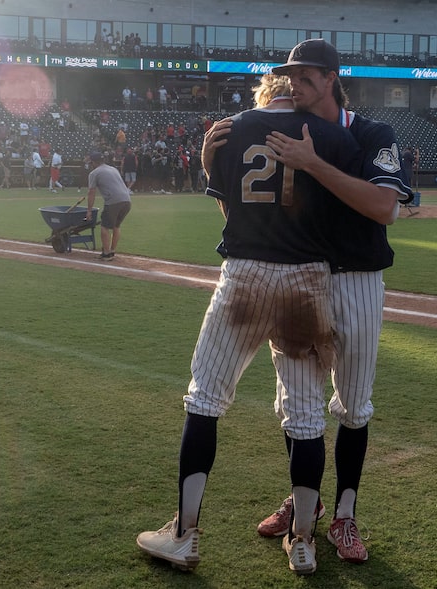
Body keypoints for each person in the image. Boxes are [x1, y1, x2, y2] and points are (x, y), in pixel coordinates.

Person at [136, 74, 363, 576]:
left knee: (206, 400)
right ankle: (302, 543)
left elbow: (230, 212)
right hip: (307, 279)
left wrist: (206, 161)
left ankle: (185, 534)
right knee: (305, 416)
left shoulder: (231, 128)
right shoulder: (331, 134)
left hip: (244, 274)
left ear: (266, 92)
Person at [203, 39, 412, 567]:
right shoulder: (278, 132)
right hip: (298, 280)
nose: (295, 83)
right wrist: (211, 163)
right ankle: (307, 507)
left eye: (306, 75)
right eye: (290, 75)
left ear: (331, 77)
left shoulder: (369, 133)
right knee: (298, 407)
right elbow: (245, 222)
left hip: (357, 279)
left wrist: (313, 164)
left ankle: (345, 517)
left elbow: (385, 207)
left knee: (354, 406)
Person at [84, 151, 131, 260]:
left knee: (105, 226)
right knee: (116, 226)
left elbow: (91, 193)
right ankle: (112, 251)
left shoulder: (94, 173)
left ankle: (106, 253)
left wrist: (89, 210)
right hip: (127, 200)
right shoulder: (113, 169)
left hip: (113, 202)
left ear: (94, 163)